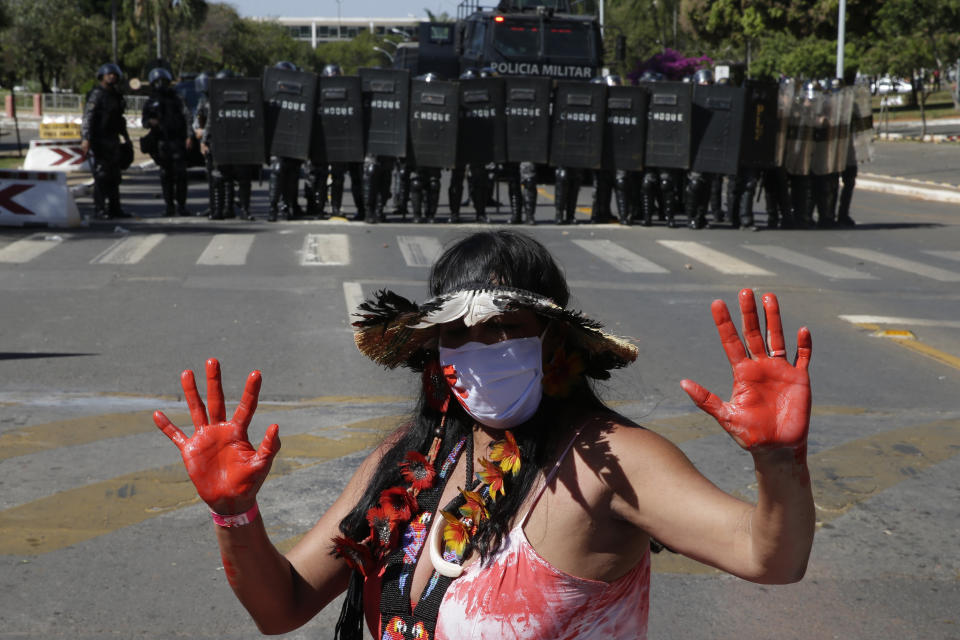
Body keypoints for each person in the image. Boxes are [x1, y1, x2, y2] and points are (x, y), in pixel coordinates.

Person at [153, 230, 815, 640]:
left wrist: (779, 462)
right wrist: (235, 516)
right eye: (457, 333)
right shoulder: (408, 459)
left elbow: (771, 559)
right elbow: (282, 606)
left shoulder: (610, 461)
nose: (479, 348)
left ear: (556, 341)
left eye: (504, 328)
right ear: (433, 350)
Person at [81, 62, 132, 220]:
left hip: (113, 139)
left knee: (115, 175)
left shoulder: (116, 95)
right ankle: (100, 209)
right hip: (99, 139)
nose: (112, 77)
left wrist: (126, 138)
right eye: (109, 74)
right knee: (102, 175)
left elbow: (119, 119)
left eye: (114, 75)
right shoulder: (97, 94)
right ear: (102, 76)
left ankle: (115, 208)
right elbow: (88, 117)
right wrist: (86, 138)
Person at [141, 67, 193, 217]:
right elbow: (144, 122)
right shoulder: (150, 102)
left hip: (177, 140)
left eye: (163, 81)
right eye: (157, 81)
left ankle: (181, 206)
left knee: (181, 174)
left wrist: (189, 136)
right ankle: (169, 206)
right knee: (165, 175)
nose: (161, 84)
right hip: (161, 142)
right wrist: (151, 122)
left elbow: (187, 116)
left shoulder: (177, 98)